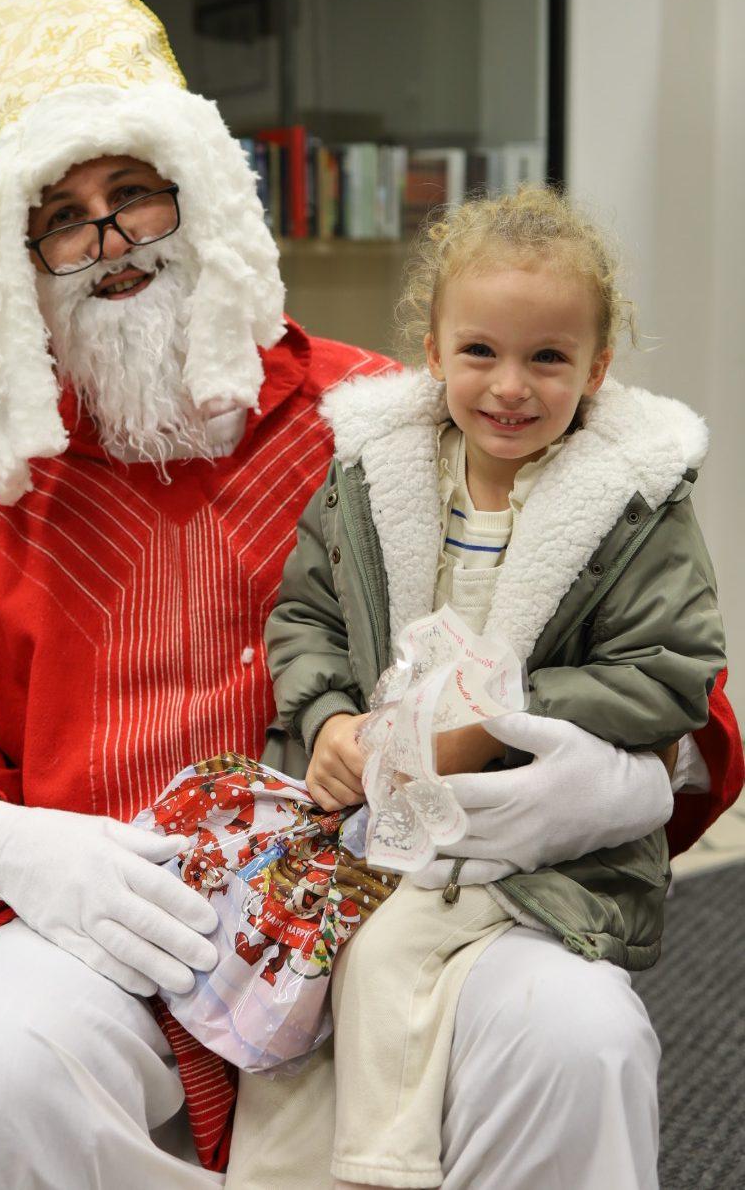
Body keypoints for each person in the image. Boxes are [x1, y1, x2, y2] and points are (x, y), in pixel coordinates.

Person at [0, 0, 742, 1190]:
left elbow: (656, 653)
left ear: (204, 200)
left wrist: (603, 785)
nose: (111, 246)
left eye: (136, 195)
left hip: (412, 896)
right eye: (64, 218)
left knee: (583, 1036)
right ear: (20, 265)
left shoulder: (389, 426)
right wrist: (12, 847)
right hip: (117, 928)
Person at [226, 187, 725, 1190]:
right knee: (288, 987)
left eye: (548, 357)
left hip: (534, 835)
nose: (511, 387)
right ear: (433, 349)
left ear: (598, 366)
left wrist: (499, 717)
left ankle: (381, 1168)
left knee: (383, 948)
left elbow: (673, 669)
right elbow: (308, 620)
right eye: (480, 351)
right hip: (369, 815)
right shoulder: (378, 477)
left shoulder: (631, 502)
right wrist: (327, 719)